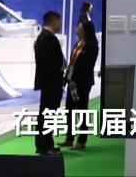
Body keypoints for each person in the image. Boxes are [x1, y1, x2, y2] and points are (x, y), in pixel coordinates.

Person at [60, 20, 99, 150]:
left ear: (86, 31)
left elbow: (87, 67)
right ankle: (69, 139)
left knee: (82, 110)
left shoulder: (92, 47)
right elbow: (72, 64)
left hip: (83, 83)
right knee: (69, 110)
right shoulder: (78, 44)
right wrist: (68, 79)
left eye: (80, 28)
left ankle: (82, 140)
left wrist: (75, 81)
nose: (77, 30)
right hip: (72, 83)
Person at [34, 11, 66, 156]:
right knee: (48, 115)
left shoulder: (44, 37)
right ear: (53, 21)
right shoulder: (48, 38)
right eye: (59, 21)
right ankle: (45, 146)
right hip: (51, 84)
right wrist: (60, 79)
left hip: (49, 83)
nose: (60, 24)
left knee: (47, 115)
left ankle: (46, 145)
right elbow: (51, 64)